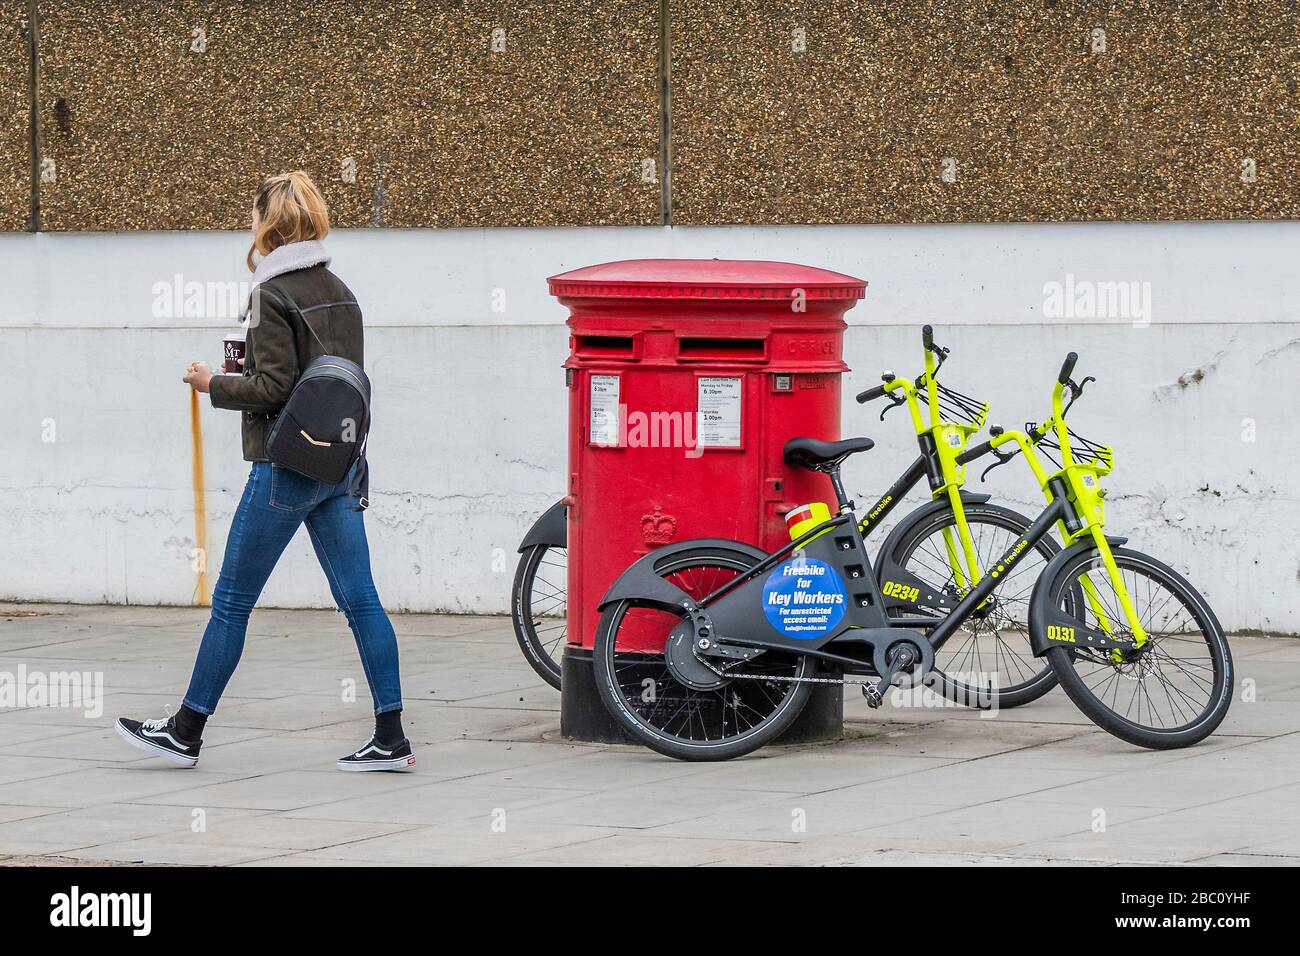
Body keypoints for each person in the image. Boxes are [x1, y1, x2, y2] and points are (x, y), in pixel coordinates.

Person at [116, 171, 413, 772]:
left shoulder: (269, 294)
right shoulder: (340, 290)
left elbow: (273, 387)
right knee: (361, 600)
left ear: (268, 225)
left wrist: (212, 384)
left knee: (231, 600)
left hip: (286, 467)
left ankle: (185, 731)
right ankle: (391, 738)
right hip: (338, 463)